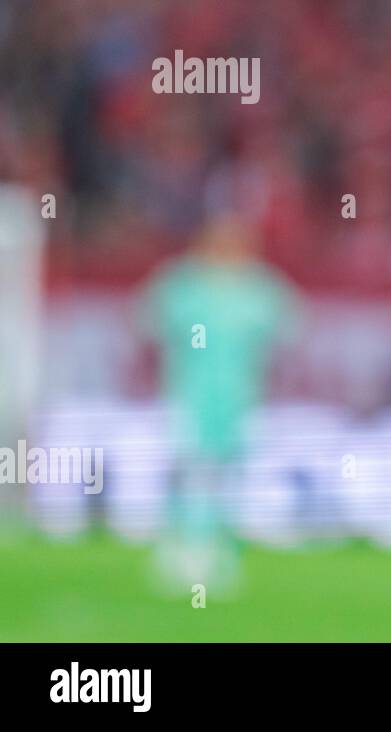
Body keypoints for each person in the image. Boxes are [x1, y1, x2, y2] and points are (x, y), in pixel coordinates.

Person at [138, 212, 300, 594]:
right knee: (192, 470)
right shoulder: (184, 286)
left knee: (230, 473)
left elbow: (289, 331)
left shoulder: (260, 289)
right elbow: (149, 324)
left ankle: (221, 550)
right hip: (191, 396)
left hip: (240, 399)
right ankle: (184, 549)